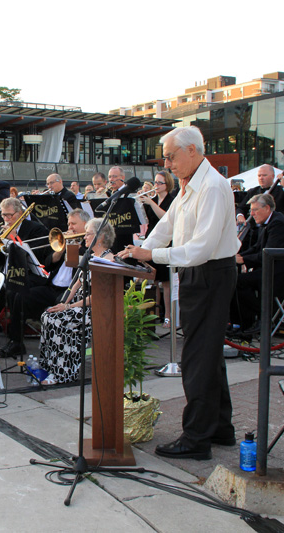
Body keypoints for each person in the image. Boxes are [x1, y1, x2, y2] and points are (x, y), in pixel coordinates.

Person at [117, 125, 239, 461]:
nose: (167, 164)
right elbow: (167, 226)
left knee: (197, 357)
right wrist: (140, 248)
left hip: (211, 273)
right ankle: (219, 428)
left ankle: (196, 437)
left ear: (192, 150)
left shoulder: (212, 186)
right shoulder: (189, 184)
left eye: (171, 156)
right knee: (208, 355)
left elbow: (200, 248)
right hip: (201, 273)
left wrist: (151, 255)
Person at [39, 218, 114, 384]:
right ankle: (49, 367)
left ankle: (63, 372)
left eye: (88, 234)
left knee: (58, 321)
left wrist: (69, 306)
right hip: (79, 304)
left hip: (94, 308)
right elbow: (76, 283)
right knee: (48, 315)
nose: (85, 237)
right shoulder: (91, 256)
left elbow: (98, 295)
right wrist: (64, 303)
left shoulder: (108, 260)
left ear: (100, 237)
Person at [232, 194, 284, 332]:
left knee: (237, 282)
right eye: (251, 210)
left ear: (267, 208)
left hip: (280, 274)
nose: (252, 213)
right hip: (269, 270)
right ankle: (245, 321)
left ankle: (262, 317)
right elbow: (257, 248)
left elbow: (269, 253)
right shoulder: (268, 222)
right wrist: (237, 256)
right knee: (236, 281)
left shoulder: (278, 224)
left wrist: (243, 259)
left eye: (255, 209)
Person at [0, 197, 52, 357]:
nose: (7, 219)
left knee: (16, 290)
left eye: (10, 215)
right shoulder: (4, 230)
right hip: (12, 272)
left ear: (20, 214)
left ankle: (17, 341)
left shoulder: (35, 229)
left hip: (34, 274)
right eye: (4, 215)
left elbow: (36, 256)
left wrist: (15, 239)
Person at [138, 170, 178, 327]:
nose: (155, 185)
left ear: (166, 184)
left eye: (159, 183)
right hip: (151, 239)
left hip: (165, 242)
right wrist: (140, 203)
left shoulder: (171, 200)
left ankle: (168, 315)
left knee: (166, 282)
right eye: (155, 182)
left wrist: (151, 203)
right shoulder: (152, 199)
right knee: (152, 280)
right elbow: (144, 219)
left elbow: (166, 218)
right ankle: (152, 315)